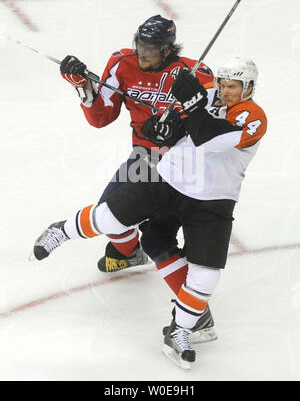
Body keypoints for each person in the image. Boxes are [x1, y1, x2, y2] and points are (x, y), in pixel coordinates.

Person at [32, 56, 267, 369]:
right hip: (169, 178)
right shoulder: (208, 95)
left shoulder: (254, 116)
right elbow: (178, 128)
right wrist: (163, 126)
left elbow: (208, 138)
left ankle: (180, 330)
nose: (225, 91)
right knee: (110, 217)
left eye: (234, 86)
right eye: (223, 84)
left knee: (207, 275)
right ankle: (62, 230)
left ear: (249, 88)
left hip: (214, 201)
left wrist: (193, 104)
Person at [59, 14, 214, 278]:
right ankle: (129, 254)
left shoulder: (196, 72)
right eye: (140, 44)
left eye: (150, 48)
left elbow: (208, 124)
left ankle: (193, 292)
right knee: (108, 216)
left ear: (167, 49)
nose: (142, 52)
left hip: (188, 165)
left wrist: (178, 122)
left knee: (165, 237)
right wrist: (85, 88)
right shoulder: (122, 64)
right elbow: (101, 117)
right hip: (146, 158)